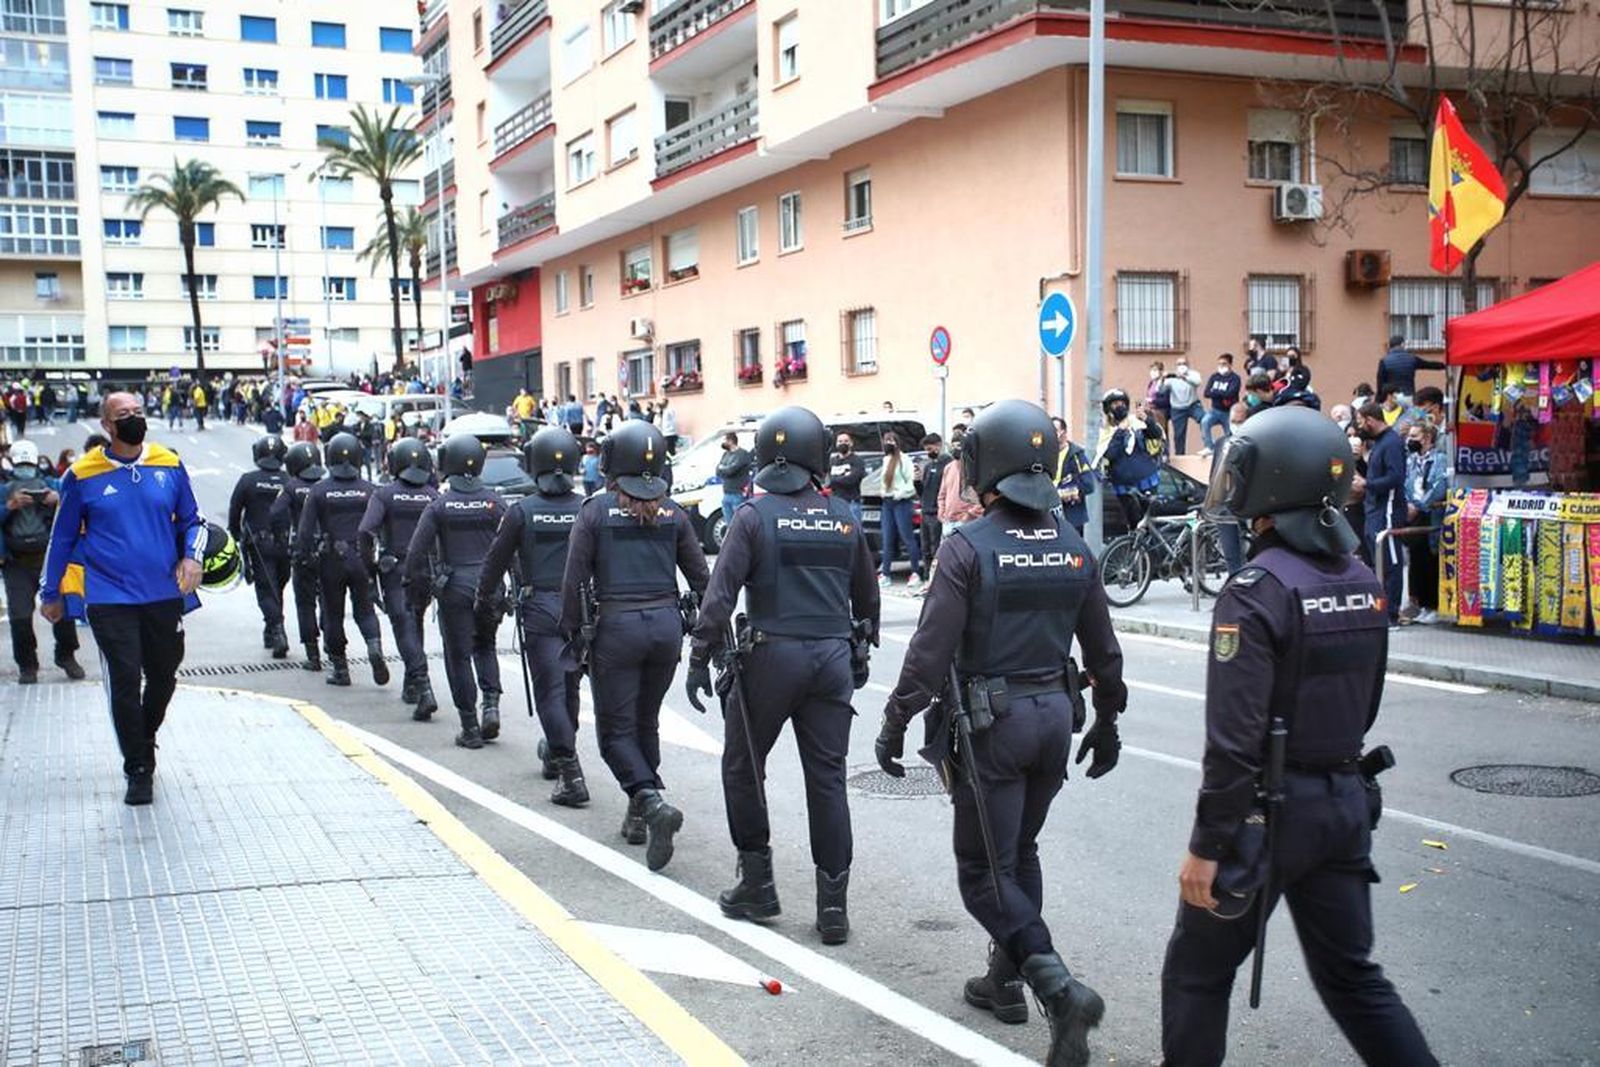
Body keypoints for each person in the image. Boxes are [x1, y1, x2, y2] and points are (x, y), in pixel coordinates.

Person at [1161, 405, 1437, 1067]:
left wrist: (1206, 845)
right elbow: (1363, 706)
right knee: (1354, 979)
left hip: (1266, 818)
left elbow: (1233, 743)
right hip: (1343, 803)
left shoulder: (1256, 590)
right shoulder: (1367, 583)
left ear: (1273, 485)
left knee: (1196, 972)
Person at [875, 399, 1127, 1066]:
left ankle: (1056, 984)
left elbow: (929, 655)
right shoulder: (1074, 546)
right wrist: (1110, 720)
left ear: (983, 465)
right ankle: (1004, 980)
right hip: (1054, 722)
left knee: (981, 871)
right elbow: (1104, 653)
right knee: (1019, 850)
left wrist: (894, 719)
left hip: (994, 726)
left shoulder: (967, 548)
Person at [685, 407, 880, 942]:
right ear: (816, 457)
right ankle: (833, 910)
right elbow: (868, 596)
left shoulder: (752, 516)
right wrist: (861, 648)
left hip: (770, 656)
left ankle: (758, 884)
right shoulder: (843, 516)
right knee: (828, 780)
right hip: (832, 658)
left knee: (743, 768)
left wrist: (700, 657)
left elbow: (720, 595)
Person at [39, 393, 206, 805]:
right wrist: (51, 590)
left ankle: (144, 735)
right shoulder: (81, 475)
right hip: (110, 596)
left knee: (164, 675)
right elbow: (61, 537)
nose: (133, 420)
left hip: (164, 592)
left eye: (138, 413)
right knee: (126, 678)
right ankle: (138, 768)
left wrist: (192, 556)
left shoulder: (168, 463)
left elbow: (193, 521)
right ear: (107, 426)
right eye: (123, 416)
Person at [559, 420, 709, 871]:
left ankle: (650, 802)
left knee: (614, 734)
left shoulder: (593, 512)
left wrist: (571, 633)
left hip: (617, 628)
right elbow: (703, 578)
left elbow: (573, 581)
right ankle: (637, 817)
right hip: (666, 627)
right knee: (646, 722)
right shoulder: (675, 514)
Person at [476, 427, 588, 806]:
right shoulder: (588, 508)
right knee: (569, 687)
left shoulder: (522, 512)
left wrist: (483, 597)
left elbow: (495, 560)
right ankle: (558, 752)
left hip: (541, 608)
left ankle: (570, 771)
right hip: (584, 608)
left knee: (551, 693)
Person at [406, 435, 505, 749]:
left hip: (455, 587)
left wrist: (412, 585)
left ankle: (470, 727)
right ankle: (491, 705)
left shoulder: (440, 506)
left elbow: (416, 552)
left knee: (458, 655)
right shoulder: (495, 502)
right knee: (485, 646)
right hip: (490, 585)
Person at [298, 433, 388, 688]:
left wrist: (305, 559)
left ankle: (340, 668)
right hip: (362, 556)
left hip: (332, 559)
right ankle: (374, 647)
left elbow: (305, 532)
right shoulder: (371, 490)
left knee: (332, 613)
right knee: (365, 608)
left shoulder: (319, 490)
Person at [359, 438, 440, 719]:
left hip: (396, 569)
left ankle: (423, 685)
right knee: (415, 621)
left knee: (404, 626)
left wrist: (370, 570)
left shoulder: (384, 495)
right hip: (426, 569)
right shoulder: (434, 495)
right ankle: (411, 684)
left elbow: (365, 532)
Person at [3, 440, 84, 682]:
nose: (25, 470)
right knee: (19, 616)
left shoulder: (51, 485)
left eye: (28, 465)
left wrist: (57, 499)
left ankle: (66, 655)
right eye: (21, 465)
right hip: (15, 562)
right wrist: (9, 506)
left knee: (63, 609)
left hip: (50, 560)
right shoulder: (4, 490)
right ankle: (27, 665)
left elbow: (77, 505)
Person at [227, 436, 291, 658]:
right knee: (277, 587)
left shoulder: (248, 480)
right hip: (285, 544)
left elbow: (235, 511)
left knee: (266, 589)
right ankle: (271, 628)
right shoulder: (289, 480)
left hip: (260, 544)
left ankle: (278, 630)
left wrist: (234, 534)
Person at [270, 442, 327, 670]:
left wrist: (281, 537)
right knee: (329, 600)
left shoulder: (291, 487)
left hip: (303, 550)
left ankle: (312, 655)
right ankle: (331, 638)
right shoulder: (327, 485)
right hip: (329, 548)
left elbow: (275, 513)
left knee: (305, 603)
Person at [1354, 402, 1406, 624]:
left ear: (1370, 420)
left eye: (1360, 422)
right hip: (1375, 510)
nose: (1358, 427)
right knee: (1378, 562)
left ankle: (1391, 613)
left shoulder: (1392, 443)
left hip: (1388, 510)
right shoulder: (1379, 444)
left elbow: (1396, 477)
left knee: (1390, 562)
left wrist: (1367, 485)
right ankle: (1380, 608)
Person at [1095, 388, 1163, 530]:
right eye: (1115, 404)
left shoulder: (1135, 422)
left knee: (1151, 527)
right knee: (1134, 527)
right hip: (1124, 488)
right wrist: (1120, 431)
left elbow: (1155, 434)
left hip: (1146, 482)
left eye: (1122, 403)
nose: (1119, 407)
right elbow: (1109, 454)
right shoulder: (1104, 430)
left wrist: (1146, 420)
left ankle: (1156, 551)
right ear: (1108, 409)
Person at [1403, 421, 1448, 625]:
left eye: (1414, 436)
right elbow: (1406, 483)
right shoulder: (1411, 460)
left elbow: (1439, 485)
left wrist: (1420, 505)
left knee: (1431, 559)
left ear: (1427, 438)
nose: (1410, 440)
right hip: (1414, 514)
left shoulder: (1440, 459)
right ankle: (1418, 603)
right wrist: (1410, 503)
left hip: (1431, 513)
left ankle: (1433, 605)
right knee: (1416, 558)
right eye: (1409, 436)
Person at [876, 433, 923, 590]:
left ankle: (915, 572)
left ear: (897, 442)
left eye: (891, 440)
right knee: (887, 538)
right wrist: (883, 492)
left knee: (907, 537)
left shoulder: (904, 459)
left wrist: (900, 494)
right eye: (886, 441)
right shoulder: (886, 459)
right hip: (887, 502)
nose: (888, 443)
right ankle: (886, 574)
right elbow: (883, 480)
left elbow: (910, 483)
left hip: (901, 502)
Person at [1052, 418, 1096, 535]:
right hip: (1050, 516)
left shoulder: (1076, 455)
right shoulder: (1046, 455)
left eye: (1055, 430)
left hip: (1071, 517)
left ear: (1064, 432)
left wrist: (1066, 493)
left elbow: (1088, 485)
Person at [1376, 334, 1445, 403]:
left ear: (1390, 346)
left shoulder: (1384, 361)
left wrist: (1379, 399)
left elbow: (1380, 382)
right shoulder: (1412, 358)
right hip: (1409, 396)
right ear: (1402, 344)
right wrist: (1444, 365)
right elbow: (1429, 365)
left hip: (1393, 397)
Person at [920, 434, 951, 564]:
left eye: (930, 449)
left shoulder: (947, 464)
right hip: (925, 511)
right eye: (926, 449)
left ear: (939, 445)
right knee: (925, 548)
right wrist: (917, 481)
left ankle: (936, 578)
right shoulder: (928, 466)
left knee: (936, 547)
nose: (928, 452)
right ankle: (927, 577)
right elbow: (923, 491)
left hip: (937, 512)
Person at [716, 432, 753, 534]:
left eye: (724, 440)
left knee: (740, 526)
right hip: (726, 494)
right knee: (730, 527)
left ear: (731, 441)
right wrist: (724, 469)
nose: (723, 443)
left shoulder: (742, 454)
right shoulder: (726, 454)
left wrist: (724, 468)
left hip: (738, 494)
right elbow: (717, 470)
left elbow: (731, 470)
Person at [1164, 358, 1202, 455]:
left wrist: (1185, 377)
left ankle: (1208, 447)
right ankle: (1180, 456)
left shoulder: (1193, 374)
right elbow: (1161, 389)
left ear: (1188, 365)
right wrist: (1163, 378)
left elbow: (1197, 382)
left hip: (1193, 405)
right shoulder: (1171, 377)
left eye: (1184, 363)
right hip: (1177, 408)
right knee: (1179, 435)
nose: (1181, 365)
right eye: (1179, 364)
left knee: (1205, 420)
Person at [827, 434, 867, 523]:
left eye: (846, 441)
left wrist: (835, 480)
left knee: (853, 531)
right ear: (836, 444)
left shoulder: (857, 460)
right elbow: (829, 480)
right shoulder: (833, 461)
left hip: (851, 502)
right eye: (840, 441)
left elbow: (852, 480)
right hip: (835, 502)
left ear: (851, 443)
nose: (843, 443)